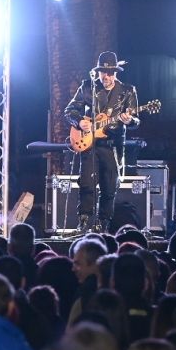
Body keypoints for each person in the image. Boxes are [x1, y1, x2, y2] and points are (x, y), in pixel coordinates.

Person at [65, 51, 140, 232]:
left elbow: (136, 119)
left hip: (112, 146)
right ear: (97, 72)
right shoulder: (87, 87)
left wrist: (130, 120)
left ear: (116, 73)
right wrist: (79, 121)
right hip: (90, 145)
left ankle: (104, 225)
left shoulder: (127, 91)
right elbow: (69, 110)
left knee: (109, 187)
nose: (106, 76)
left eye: (110, 73)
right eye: (103, 72)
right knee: (87, 185)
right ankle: (84, 224)